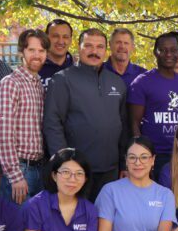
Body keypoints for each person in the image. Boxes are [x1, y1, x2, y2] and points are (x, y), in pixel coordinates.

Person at [44, 28, 129, 200]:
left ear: (106, 50)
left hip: (110, 170)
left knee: (106, 221)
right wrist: (64, 164)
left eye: (99, 47)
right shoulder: (62, 79)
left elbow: (123, 126)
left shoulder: (117, 82)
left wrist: (124, 163)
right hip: (76, 171)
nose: (94, 51)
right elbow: (52, 123)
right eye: (88, 46)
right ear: (79, 47)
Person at [0, 29, 49, 204]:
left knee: (34, 227)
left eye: (41, 51)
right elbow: (3, 134)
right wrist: (15, 175)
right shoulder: (11, 83)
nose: (36, 55)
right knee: (17, 227)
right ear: (22, 51)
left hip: (38, 167)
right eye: (31, 50)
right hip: (19, 170)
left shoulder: (38, 85)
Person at [128, 33, 178, 177]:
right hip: (154, 155)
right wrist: (142, 155)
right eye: (163, 50)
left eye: (173, 50)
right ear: (155, 52)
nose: (169, 54)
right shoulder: (142, 82)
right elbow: (134, 123)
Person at [40, 19, 74, 89]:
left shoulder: (78, 70)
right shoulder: (34, 69)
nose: (60, 41)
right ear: (46, 38)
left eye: (65, 37)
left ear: (70, 40)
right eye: (55, 36)